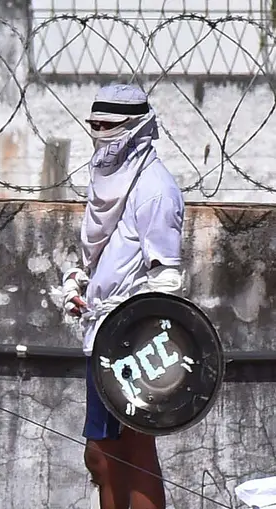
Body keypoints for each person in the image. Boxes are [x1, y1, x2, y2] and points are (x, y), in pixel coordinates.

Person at [60, 84, 186, 509]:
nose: (99, 135)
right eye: (93, 126)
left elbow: (166, 277)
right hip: (102, 333)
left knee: (130, 452)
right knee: (104, 454)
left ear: (134, 128)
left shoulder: (155, 189)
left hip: (133, 343)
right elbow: (102, 253)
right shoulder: (108, 177)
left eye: (108, 127)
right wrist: (80, 283)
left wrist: (133, 330)